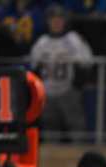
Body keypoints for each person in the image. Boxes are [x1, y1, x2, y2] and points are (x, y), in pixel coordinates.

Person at [30, 3, 92, 142]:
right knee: (49, 126)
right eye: (53, 19)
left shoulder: (73, 39)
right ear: (48, 22)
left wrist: (76, 86)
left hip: (68, 91)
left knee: (76, 125)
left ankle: (79, 157)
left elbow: (86, 62)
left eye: (59, 19)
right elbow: (34, 67)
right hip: (47, 92)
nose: (56, 22)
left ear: (65, 21)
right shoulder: (42, 42)